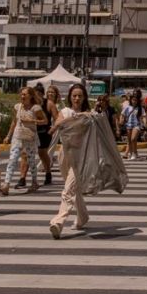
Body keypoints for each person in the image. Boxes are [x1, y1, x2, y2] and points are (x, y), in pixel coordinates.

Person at [49, 84, 91, 239]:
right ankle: (83, 217)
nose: (77, 99)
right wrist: (62, 124)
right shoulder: (65, 112)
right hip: (65, 154)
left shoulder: (88, 115)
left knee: (68, 190)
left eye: (80, 96)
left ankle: (58, 222)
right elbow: (58, 123)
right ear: (70, 97)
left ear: (84, 97)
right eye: (74, 96)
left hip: (80, 157)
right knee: (75, 190)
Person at [2, 87, 48, 195]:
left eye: (25, 94)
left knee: (31, 161)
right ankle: (6, 184)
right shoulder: (18, 107)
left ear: (30, 96)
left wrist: (32, 121)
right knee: (12, 159)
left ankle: (34, 181)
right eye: (21, 94)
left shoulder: (35, 108)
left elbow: (45, 121)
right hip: (17, 136)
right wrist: (8, 136)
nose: (22, 96)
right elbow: (14, 121)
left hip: (30, 137)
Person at [120, 91, 142, 160]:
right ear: (131, 100)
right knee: (130, 140)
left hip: (137, 125)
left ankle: (133, 153)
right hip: (128, 125)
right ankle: (133, 152)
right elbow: (122, 114)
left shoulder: (140, 108)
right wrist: (121, 120)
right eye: (133, 100)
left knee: (133, 138)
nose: (134, 101)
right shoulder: (128, 107)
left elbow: (143, 116)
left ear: (138, 101)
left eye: (135, 100)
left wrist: (145, 123)